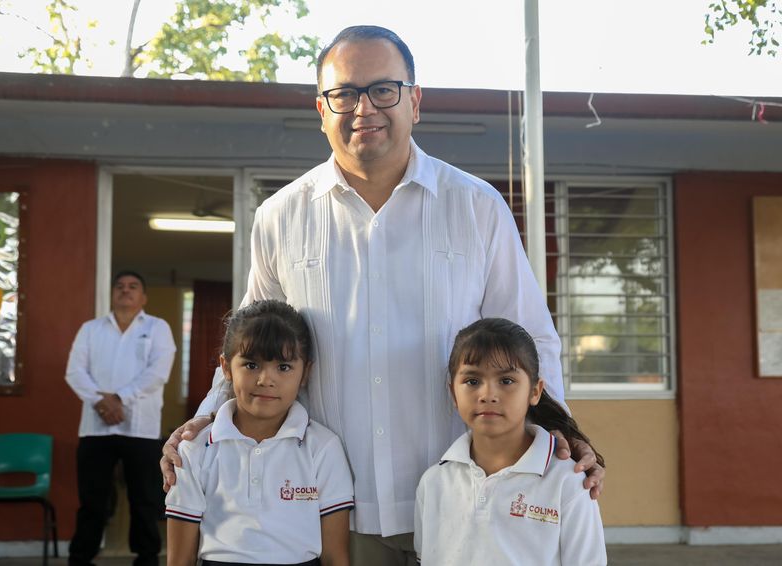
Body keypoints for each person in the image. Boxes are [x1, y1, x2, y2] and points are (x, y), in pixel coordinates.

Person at [162, 25, 605, 565]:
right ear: (321, 109)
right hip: (338, 509)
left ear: (414, 101)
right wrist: (206, 420)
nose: (362, 108)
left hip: (469, 496)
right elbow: (254, 345)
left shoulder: (476, 207)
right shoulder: (281, 216)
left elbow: (532, 339)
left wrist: (561, 435)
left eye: (382, 90)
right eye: (343, 93)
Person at [165, 300, 353, 566]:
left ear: (305, 372)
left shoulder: (322, 448)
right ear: (227, 368)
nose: (266, 379)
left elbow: (336, 557)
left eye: (284, 367)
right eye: (251, 365)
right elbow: (179, 560)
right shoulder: (194, 449)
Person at [414, 318, 606, 565]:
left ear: (535, 392)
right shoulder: (434, 483)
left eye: (506, 381)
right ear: (453, 393)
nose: (488, 395)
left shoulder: (567, 483)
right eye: (472, 381)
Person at [65, 270, 176, 566]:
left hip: (141, 428)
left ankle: (147, 558)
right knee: (92, 501)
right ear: (112, 294)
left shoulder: (157, 328)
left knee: (144, 500)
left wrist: (117, 399)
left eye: (133, 286)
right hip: (95, 428)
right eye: (120, 286)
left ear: (143, 297)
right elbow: (74, 372)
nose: (125, 291)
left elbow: (157, 373)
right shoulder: (91, 329)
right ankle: (81, 557)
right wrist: (101, 402)